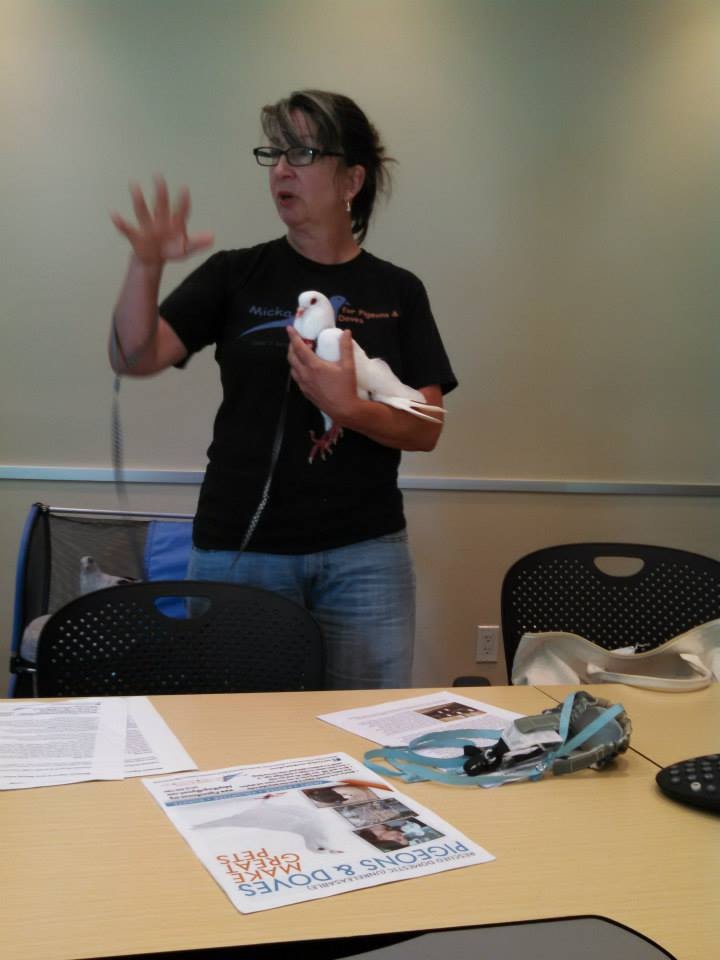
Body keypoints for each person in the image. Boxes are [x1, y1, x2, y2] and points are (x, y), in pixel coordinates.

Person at [109, 90, 457, 690]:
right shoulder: (234, 274)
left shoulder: (398, 290)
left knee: (361, 727)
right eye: (273, 153)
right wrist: (145, 265)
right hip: (240, 550)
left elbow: (427, 426)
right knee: (237, 729)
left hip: (364, 556)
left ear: (352, 180)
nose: (280, 170)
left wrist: (346, 408)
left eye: (302, 152)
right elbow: (132, 357)